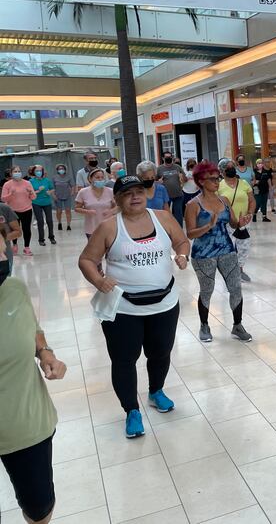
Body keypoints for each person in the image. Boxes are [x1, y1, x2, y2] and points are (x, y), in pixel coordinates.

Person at [78, 176, 190, 439]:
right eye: (128, 193)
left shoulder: (163, 218)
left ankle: (156, 391)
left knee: (161, 352)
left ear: (147, 194)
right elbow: (86, 260)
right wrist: (99, 281)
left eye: (139, 191)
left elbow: (181, 241)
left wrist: (183, 255)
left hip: (164, 304)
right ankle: (131, 410)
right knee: (124, 360)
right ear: (117, 199)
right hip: (124, 309)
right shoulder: (108, 227)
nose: (135, 197)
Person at [0, 247, 67, 524]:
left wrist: (45, 352)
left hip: (27, 422)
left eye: (2, 249)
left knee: (39, 505)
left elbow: (33, 328)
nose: (3, 258)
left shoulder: (14, 288)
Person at [186, 162, 252, 343]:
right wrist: (208, 226)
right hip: (203, 254)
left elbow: (232, 223)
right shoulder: (193, 204)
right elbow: (190, 233)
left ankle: (237, 325)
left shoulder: (224, 200)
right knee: (207, 290)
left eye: (218, 178)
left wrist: (240, 223)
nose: (217, 182)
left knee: (235, 287)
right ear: (201, 181)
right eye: (213, 179)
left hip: (227, 250)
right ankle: (204, 325)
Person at [218, 159, 255, 282]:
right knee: (229, 248)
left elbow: (252, 200)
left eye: (232, 167)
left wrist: (250, 213)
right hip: (227, 223)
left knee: (244, 246)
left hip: (244, 221)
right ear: (222, 171)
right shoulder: (219, 186)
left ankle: (240, 269)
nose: (231, 169)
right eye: (228, 168)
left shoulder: (244, 183)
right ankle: (229, 272)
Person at [2, 166, 36, 256]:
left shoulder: (27, 183)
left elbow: (33, 197)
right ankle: (15, 245)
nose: (17, 173)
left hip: (27, 209)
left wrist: (31, 193)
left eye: (19, 171)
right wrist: (11, 194)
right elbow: (3, 198)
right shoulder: (7, 184)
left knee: (26, 229)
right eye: (15, 171)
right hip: (13, 211)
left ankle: (27, 247)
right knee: (14, 230)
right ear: (11, 173)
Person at [75, 168, 116, 241]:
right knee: (94, 247)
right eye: (97, 177)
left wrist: (111, 211)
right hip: (91, 228)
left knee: (109, 247)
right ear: (90, 179)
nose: (100, 179)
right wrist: (88, 211)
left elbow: (118, 207)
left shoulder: (110, 191)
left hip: (108, 226)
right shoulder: (83, 192)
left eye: (102, 177)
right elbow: (77, 208)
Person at [29, 165, 56, 247]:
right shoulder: (30, 181)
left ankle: (51, 237)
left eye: (40, 171)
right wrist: (38, 191)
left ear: (43, 172)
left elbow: (52, 188)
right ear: (34, 172)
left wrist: (50, 192)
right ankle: (41, 239)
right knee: (40, 221)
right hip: (36, 203)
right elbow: (29, 192)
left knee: (49, 220)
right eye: (37, 171)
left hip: (47, 202)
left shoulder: (47, 180)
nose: (39, 172)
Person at [156, 153, 185, 225]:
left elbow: (185, 179)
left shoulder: (177, 167)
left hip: (178, 194)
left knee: (178, 214)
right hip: (165, 196)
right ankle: (167, 228)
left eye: (170, 157)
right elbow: (154, 181)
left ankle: (179, 229)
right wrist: (158, 182)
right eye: (167, 157)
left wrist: (182, 177)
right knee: (165, 214)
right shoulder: (159, 169)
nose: (169, 158)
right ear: (163, 158)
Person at [0, 201, 22, 271]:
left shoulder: (4, 208)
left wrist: (2, 238)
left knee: (6, 277)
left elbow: (18, 232)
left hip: (4, 256)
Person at [53, 164, 74, 231]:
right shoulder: (54, 177)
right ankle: (59, 223)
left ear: (65, 169)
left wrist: (72, 192)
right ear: (57, 170)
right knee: (59, 211)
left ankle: (68, 225)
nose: (61, 170)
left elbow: (72, 186)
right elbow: (52, 188)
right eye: (59, 169)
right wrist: (54, 195)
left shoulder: (68, 177)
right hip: (58, 196)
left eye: (62, 168)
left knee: (68, 210)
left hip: (67, 196)